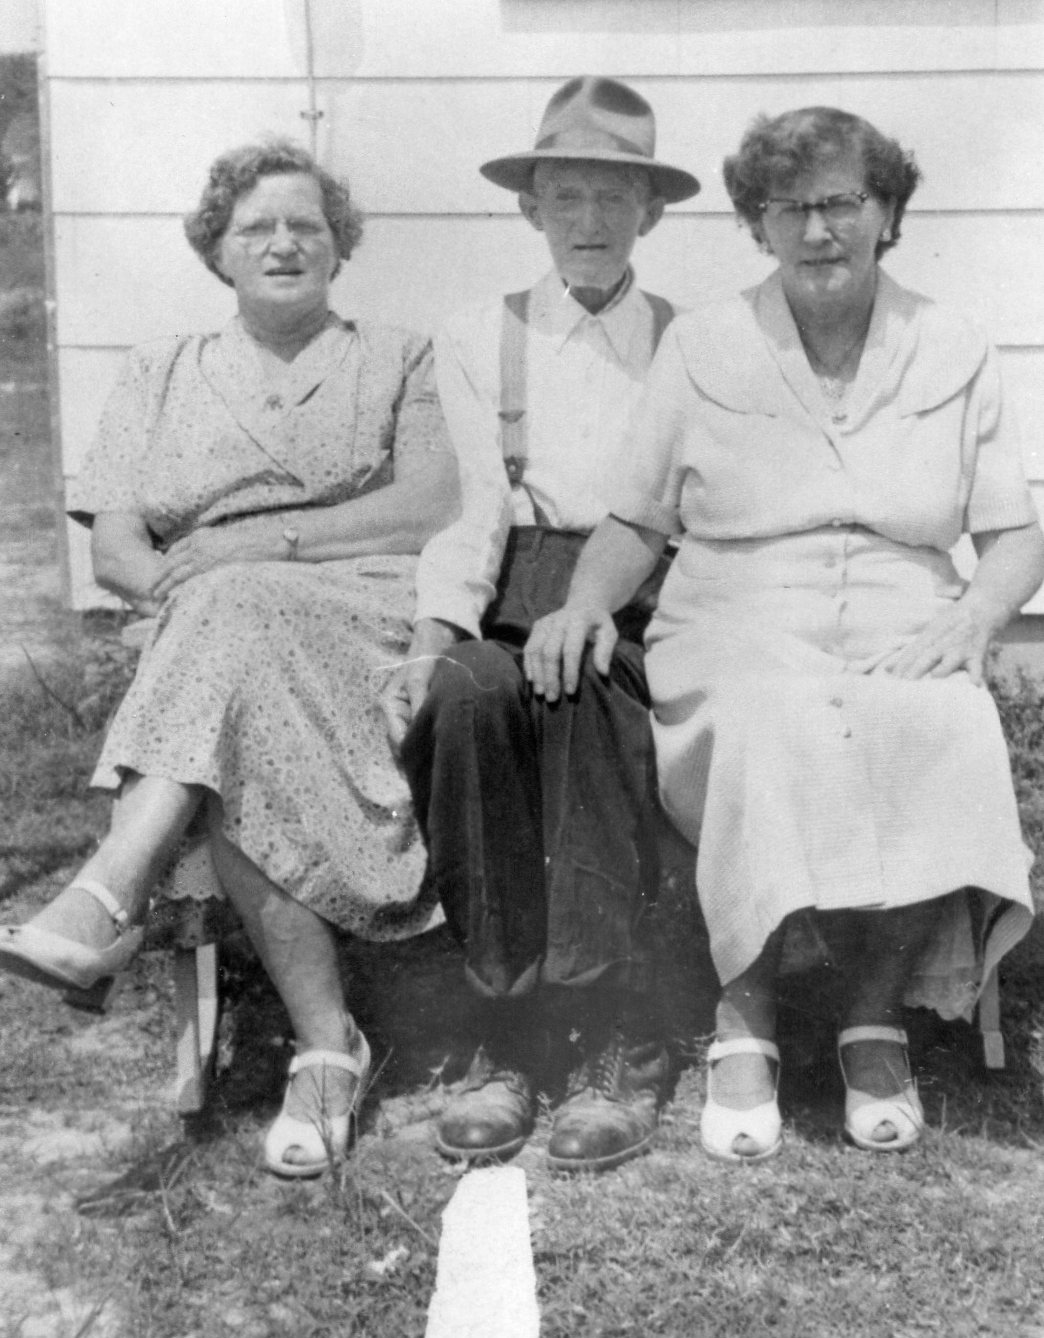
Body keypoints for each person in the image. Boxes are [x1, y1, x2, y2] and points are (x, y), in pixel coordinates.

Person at [525, 106, 1044, 1161]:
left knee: (941, 721)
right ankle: (745, 1014)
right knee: (765, 719)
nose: (817, 230)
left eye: (841, 202)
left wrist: (977, 614)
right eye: (788, 207)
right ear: (757, 222)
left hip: (902, 607)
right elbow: (636, 518)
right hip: (739, 608)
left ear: (887, 211)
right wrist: (584, 603)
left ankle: (873, 1017)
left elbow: (1015, 531)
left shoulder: (951, 343)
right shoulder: (706, 343)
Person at [0, 140, 457, 1178]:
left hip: (358, 605)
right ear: (217, 249)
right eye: (257, 228)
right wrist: (198, 589)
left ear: (340, 245)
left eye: (306, 225)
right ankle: (327, 1048)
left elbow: (433, 503)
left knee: (231, 618)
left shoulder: (401, 357)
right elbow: (117, 545)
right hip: (206, 617)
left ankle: (109, 898)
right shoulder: (158, 370)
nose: (283, 244)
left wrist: (257, 550)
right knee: (230, 654)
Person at [382, 77, 700, 1172]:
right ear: (531, 209)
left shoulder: (690, 341)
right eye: (567, 197)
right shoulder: (483, 335)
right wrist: (433, 640)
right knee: (470, 700)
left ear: (650, 212)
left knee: (587, 696)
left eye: (614, 197)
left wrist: (602, 609)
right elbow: (474, 508)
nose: (590, 221)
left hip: (651, 605)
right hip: (518, 591)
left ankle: (618, 1035)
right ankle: (508, 1030)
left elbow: (690, 506)